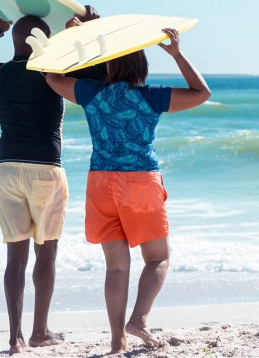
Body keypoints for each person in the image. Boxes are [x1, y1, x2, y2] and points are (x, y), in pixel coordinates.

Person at [44, 28, 211, 353]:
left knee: (117, 267)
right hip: (140, 181)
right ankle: (139, 320)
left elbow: (51, 77)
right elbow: (201, 92)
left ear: (109, 65)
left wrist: (73, 41)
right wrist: (176, 54)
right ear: (141, 67)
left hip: (101, 183)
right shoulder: (152, 95)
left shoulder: (91, 92)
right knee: (158, 258)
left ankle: (117, 340)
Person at [0, 8, 104, 354]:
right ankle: (40, 331)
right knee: (46, 255)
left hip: (7, 169)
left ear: (13, 41)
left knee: (15, 259)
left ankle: (15, 338)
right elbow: (98, 74)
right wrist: (88, 28)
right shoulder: (52, 72)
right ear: (45, 40)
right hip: (46, 170)